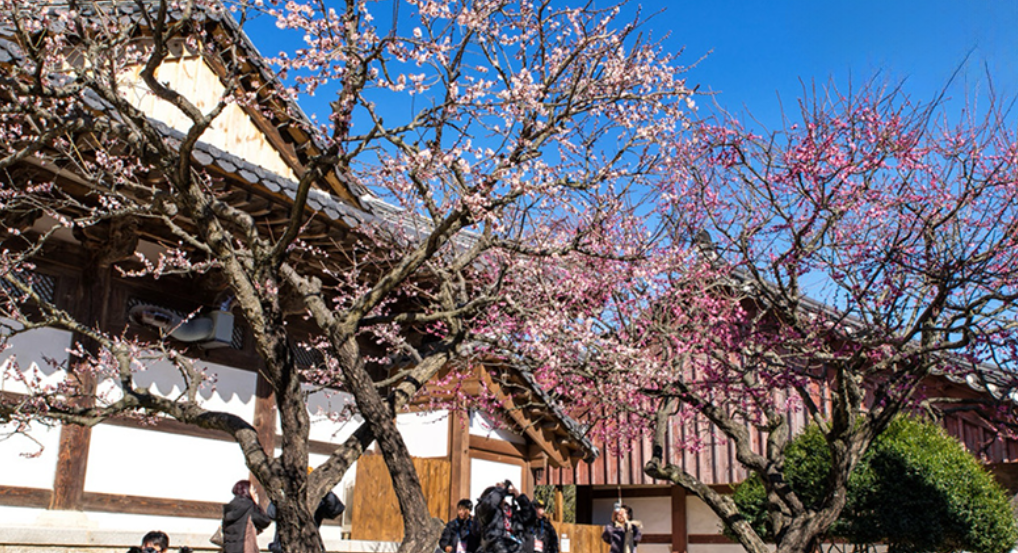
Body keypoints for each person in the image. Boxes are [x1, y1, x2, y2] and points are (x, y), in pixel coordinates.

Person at [267, 468, 346, 553]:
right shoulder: (286, 497)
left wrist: (324, 490)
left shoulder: (317, 500)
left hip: (307, 548)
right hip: (283, 549)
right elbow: (271, 513)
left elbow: (336, 509)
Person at [475, 480, 536, 553]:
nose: (502, 500)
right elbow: (490, 504)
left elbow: (530, 516)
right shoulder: (485, 513)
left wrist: (519, 497)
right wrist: (500, 490)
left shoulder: (511, 513)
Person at [222, 480, 272, 553]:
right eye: (252, 489)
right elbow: (265, 521)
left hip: (229, 549)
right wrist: (257, 504)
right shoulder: (249, 506)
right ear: (246, 490)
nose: (254, 492)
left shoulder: (230, 507)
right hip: (245, 548)